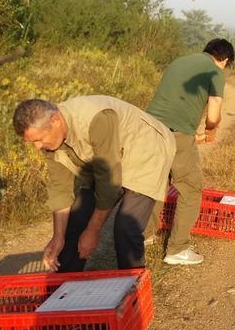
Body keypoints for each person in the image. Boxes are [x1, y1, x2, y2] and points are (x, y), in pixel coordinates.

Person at [12, 95, 175, 272]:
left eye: (39, 139)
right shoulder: (51, 139)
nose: (37, 147)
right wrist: (58, 237)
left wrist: (93, 229)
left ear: (56, 120)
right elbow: (60, 189)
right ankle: (64, 289)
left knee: (125, 228)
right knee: (75, 222)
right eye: (32, 142)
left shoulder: (97, 119)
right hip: (112, 158)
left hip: (146, 150)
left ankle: (134, 290)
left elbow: (109, 181)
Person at [145, 37, 235, 265]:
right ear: (223, 59)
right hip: (176, 132)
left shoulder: (179, 62)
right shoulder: (215, 72)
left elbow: (174, 103)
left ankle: (144, 236)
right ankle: (177, 249)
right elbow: (213, 114)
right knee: (191, 188)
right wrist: (210, 129)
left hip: (149, 127)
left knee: (157, 182)